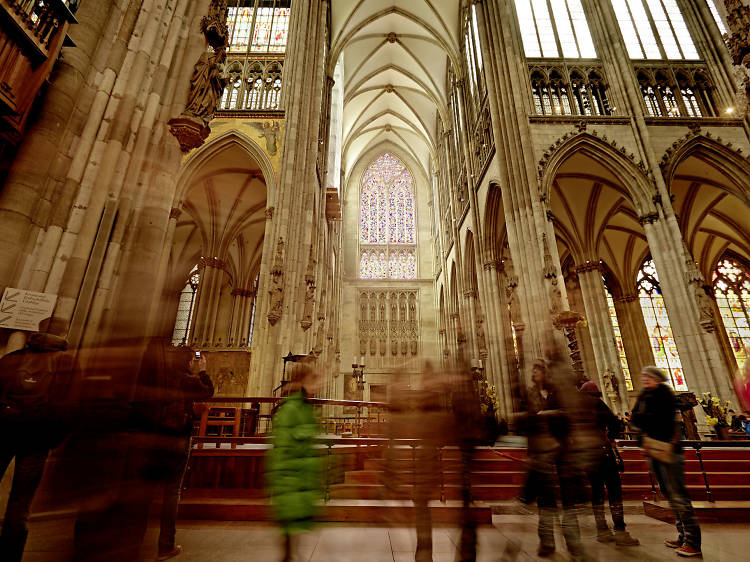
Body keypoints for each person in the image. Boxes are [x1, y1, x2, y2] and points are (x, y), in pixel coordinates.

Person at [0, 333, 77, 562]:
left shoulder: (13, 357)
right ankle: (9, 555)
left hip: (3, 432)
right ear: (64, 334)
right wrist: (53, 438)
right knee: (21, 502)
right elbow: (71, 405)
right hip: (37, 440)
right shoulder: (68, 363)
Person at [631, 366, 701, 558]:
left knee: (679, 496)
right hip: (653, 450)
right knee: (669, 494)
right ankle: (682, 535)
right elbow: (634, 418)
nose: (645, 379)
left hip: (669, 452)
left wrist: (644, 419)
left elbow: (660, 422)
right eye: (643, 376)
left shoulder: (666, 396)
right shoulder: (645, 395)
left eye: (649, 377)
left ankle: (693, 542)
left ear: (657, 378)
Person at [156, 349, 214, 561]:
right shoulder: (186, 380)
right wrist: (203, 371)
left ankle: (132, 542)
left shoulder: (160, 378)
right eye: (192, 359)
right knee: (172, 491)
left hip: (153, 436)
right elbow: (208, 391)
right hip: (177, 437)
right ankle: (165, 545)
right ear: (189, 362)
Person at [266, 360, 322, 562]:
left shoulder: (305, 407)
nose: (319, 385)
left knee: (292, 544)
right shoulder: (291, 409)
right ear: (303, 382)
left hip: (299, 485)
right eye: (314, 381)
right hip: (291, 485)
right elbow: (283, 451)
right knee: (289, 546)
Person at [579, 381, 639, 546]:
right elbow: (615, 424)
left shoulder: (577, 408)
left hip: (587, 456)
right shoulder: (598, 404)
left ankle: (602, 530)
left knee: (597, 493)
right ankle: (620, 530)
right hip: (603, 453)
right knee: (614, 491)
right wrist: (610, 437)